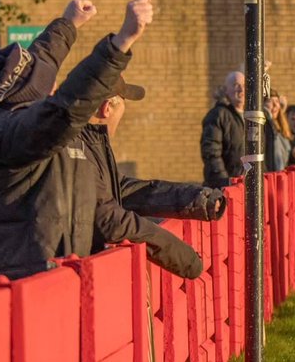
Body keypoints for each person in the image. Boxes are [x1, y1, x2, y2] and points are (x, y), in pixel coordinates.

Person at [0, 0, 170, 284]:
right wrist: (122, 41)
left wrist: (69, 22)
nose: (53, 87)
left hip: (24, 281)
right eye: (49, 86)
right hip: (26, 287)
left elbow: (40, 63)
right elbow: (68, 106)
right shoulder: (20, 135)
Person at [81, 84, 226, 275]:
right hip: (74, 277)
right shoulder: (82, 149)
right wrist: (186, 259)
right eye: (123, 104)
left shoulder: (92, 145)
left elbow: (128, 191)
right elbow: (112, 220)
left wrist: (199, 198)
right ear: (107, 108)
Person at [200, 70, 245, 188]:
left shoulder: (250, 116)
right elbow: (211, 153)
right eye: (236, 85)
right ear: (226, 90)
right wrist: (225, 182)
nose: (241, 89)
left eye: (244, 85)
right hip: (226, 187)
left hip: (245, 185)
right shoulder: (218, 115)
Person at [264, 89, 292, 171]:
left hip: (280, 174)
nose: (275, 105)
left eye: (277, 101)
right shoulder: (264, 126)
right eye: (270, 101)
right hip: (270, 175)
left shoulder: (281, 126)